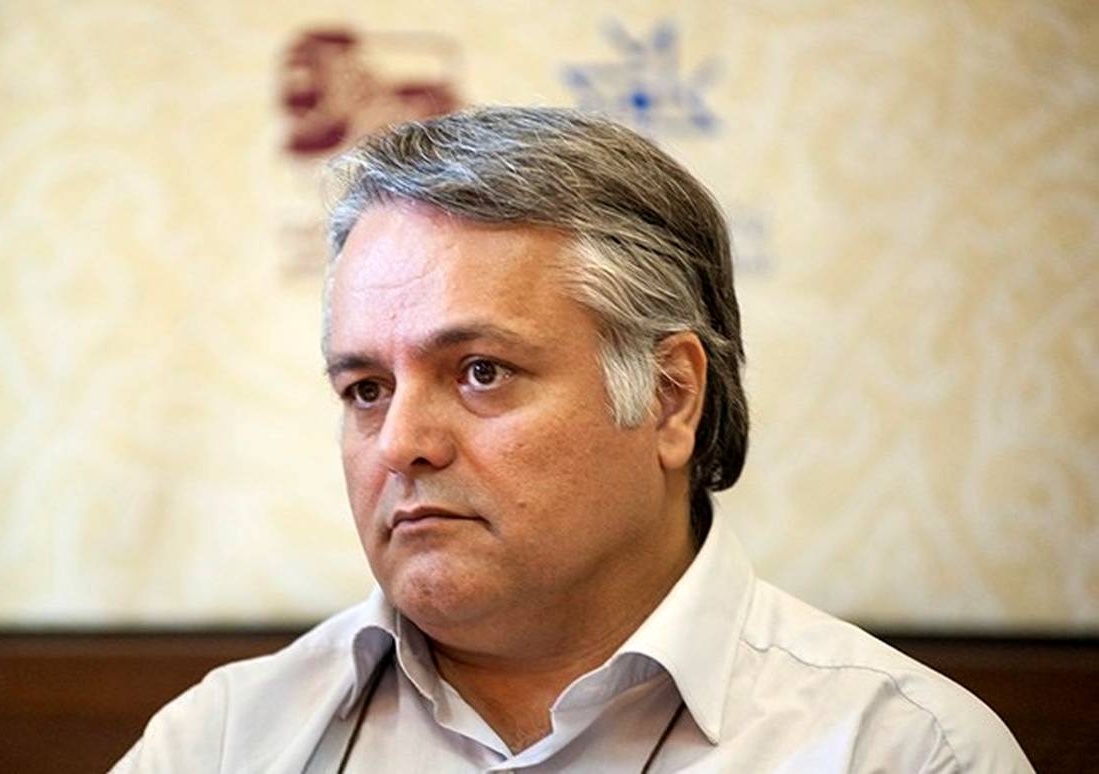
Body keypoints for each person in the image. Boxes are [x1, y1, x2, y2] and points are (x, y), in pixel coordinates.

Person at [113, 106, 1031, 772]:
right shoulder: (221, 742)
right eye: (366, 390)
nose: (401, 443)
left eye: (481, 371)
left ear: (670, 398)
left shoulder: (899, 748)